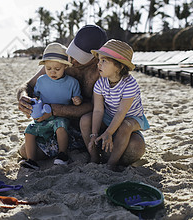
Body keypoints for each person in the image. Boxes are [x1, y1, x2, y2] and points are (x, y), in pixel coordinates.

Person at [17, 25, 146, 166]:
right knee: (26, 152)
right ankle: (80, 150)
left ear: (95, 56)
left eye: (80, 57)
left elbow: (96, 107)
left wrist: (56, 109)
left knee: (136, 148)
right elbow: (28, 85)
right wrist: (23, 98)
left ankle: (94, 151)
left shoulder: (103, 71)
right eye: (73, 52)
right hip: (64, 128)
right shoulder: (61, 59)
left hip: (98, 126)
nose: (72, 60)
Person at [82, 39, 149, 171]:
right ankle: (94, 156)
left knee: (125, 125)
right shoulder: (101, 83)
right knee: (85, 120)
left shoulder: (130, 84)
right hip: (110, 115)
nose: (98, 64)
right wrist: (94, 134)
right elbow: (98, 111)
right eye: (99, 60)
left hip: (132, 118)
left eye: (104, 61)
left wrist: (108, 133)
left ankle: (111, 163)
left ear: (120, 66)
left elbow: (121, 113)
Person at [20, 43, 82, 170]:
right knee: (29, 130)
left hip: (61, 116)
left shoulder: (72, 82)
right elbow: (36, 96)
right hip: (44, 117)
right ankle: (31, 160)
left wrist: (77, 100)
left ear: (65, 66)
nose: (52, 72)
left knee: (60, 124)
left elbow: (78, 97)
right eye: (48, 68)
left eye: (57, 69)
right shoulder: (41, 80)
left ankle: (62, 154)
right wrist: (33, 101)